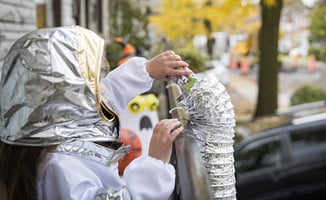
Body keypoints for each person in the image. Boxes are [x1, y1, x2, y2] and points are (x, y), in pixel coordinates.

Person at [0, 26, 191, 200]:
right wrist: (155, 167)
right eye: (93, 81)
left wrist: (147, 70)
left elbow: (106, 96)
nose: (103, 89)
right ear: (64, 96)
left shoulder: (58, 124)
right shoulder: (60, 166)